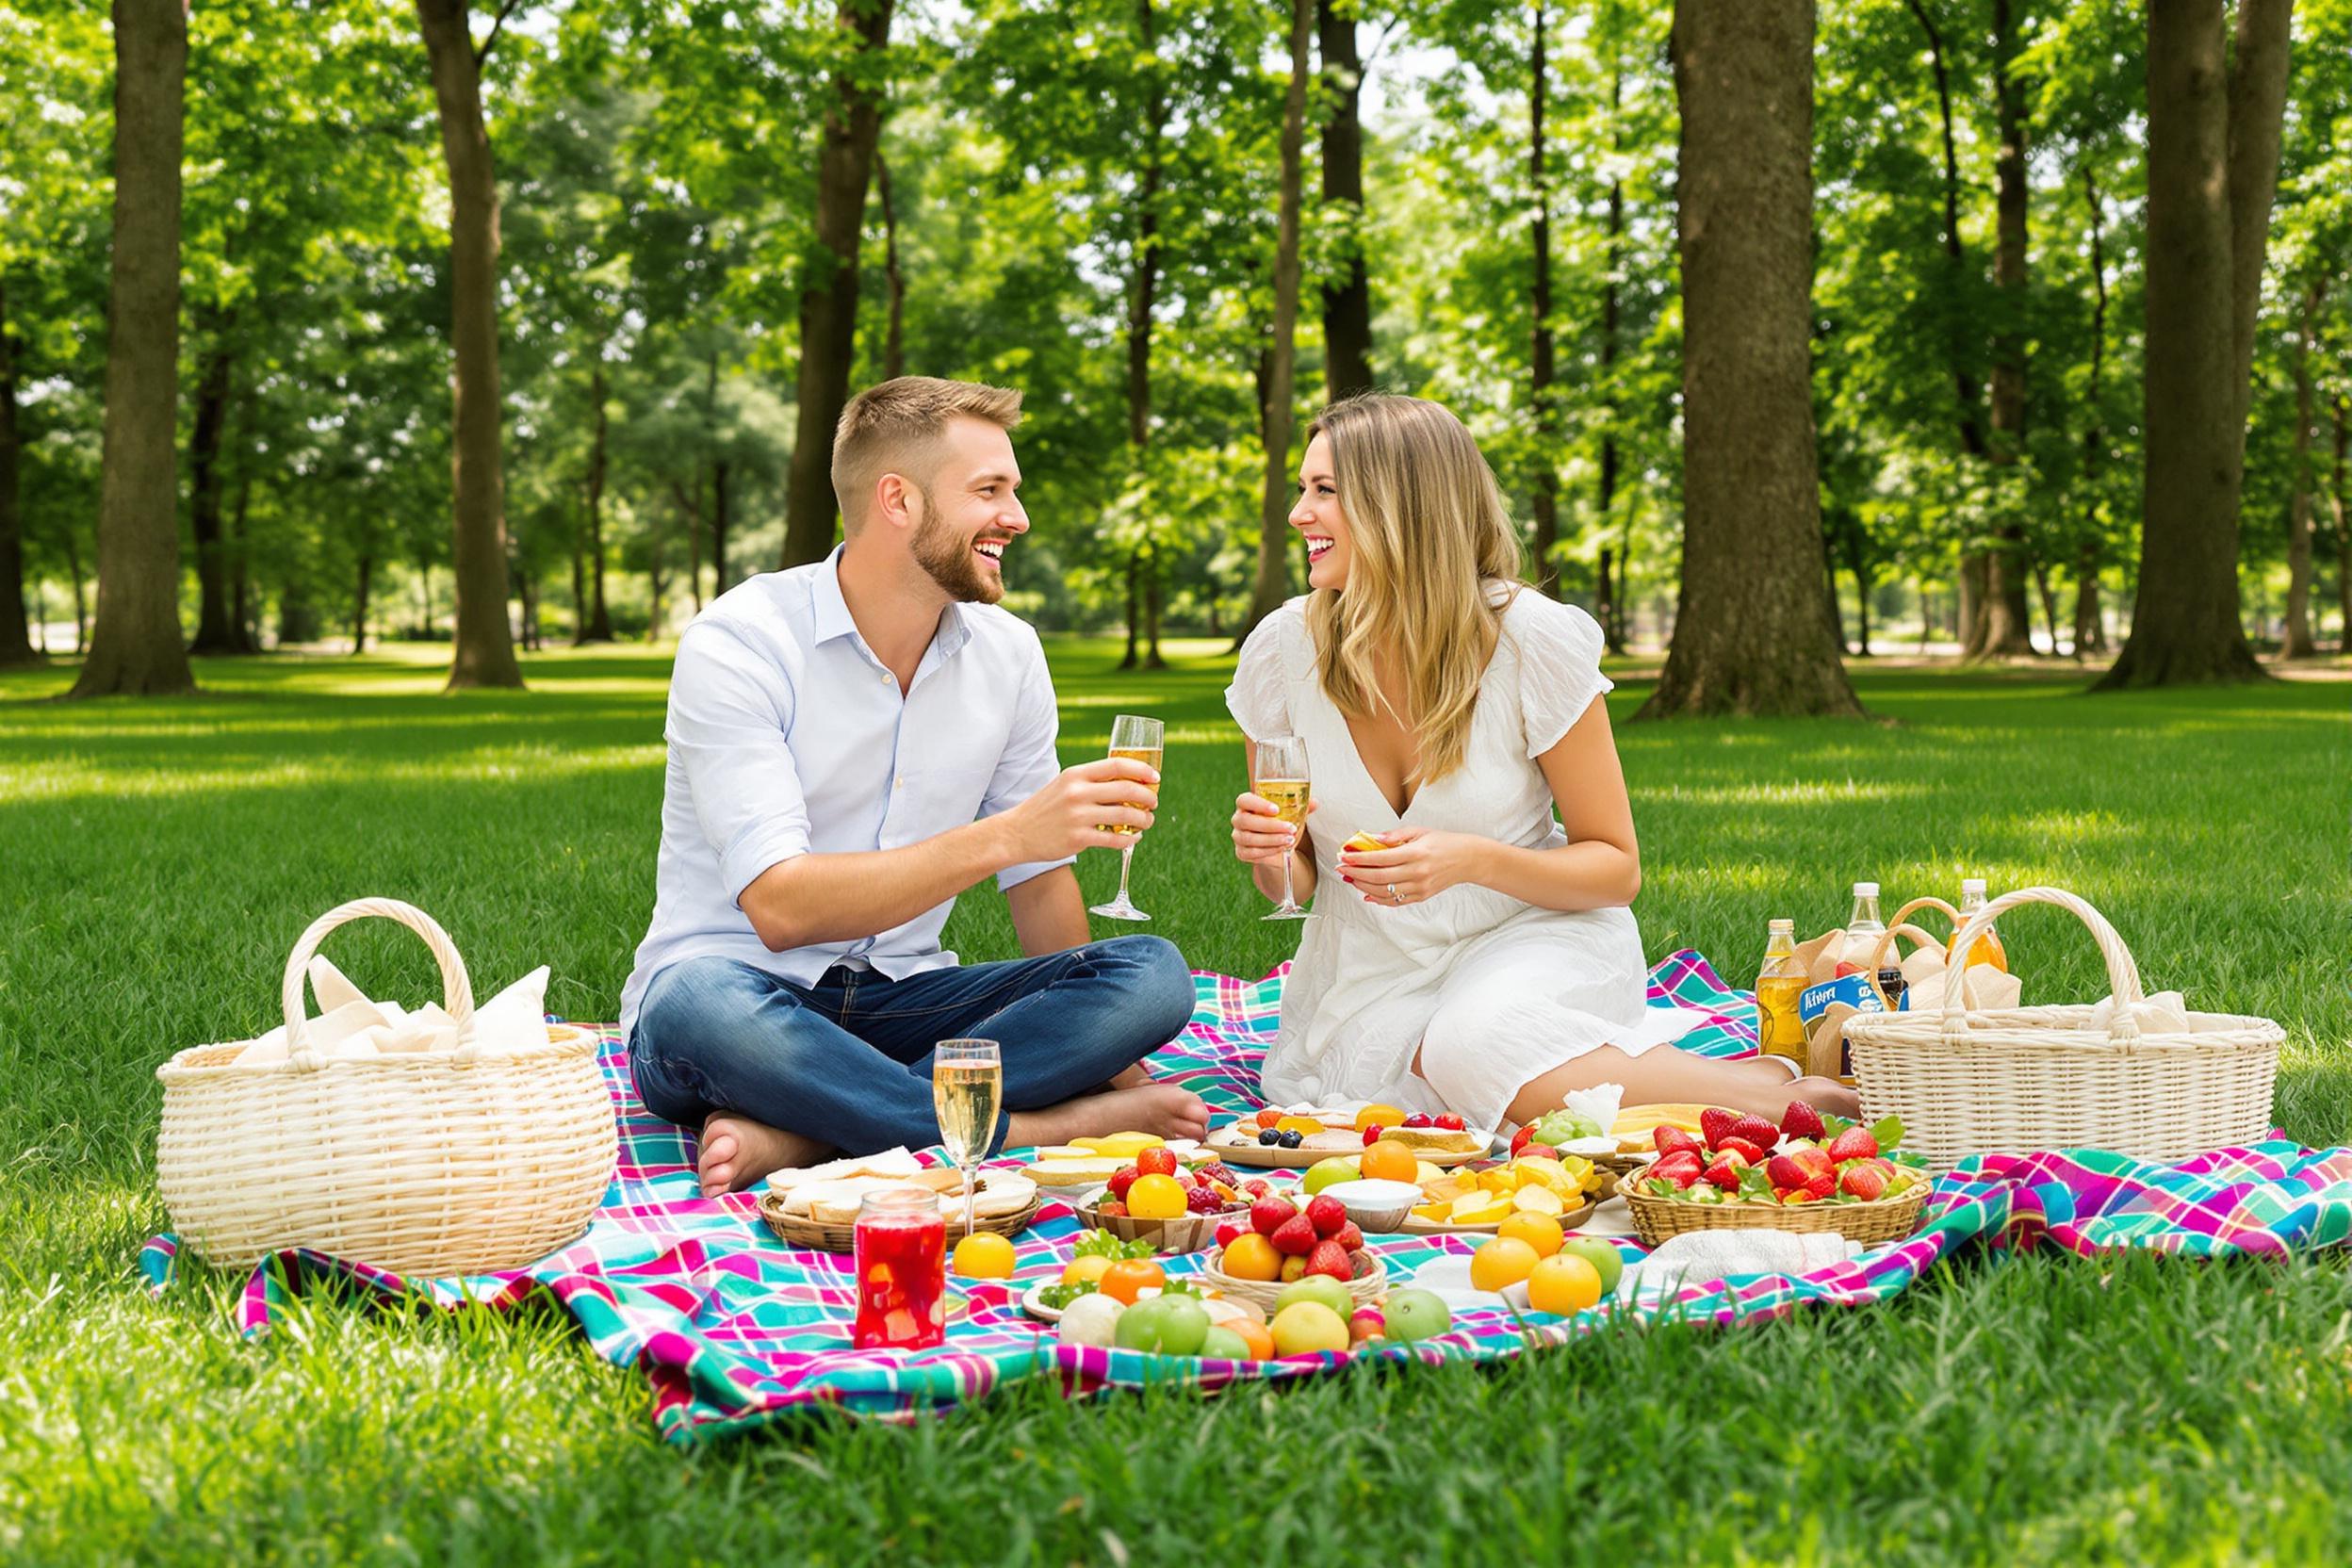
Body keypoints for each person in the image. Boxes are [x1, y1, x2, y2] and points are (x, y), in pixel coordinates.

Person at [622, 376, 1207, 1196]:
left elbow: (1039, 883)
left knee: (1150, 975)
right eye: (990, 491)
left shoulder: (1009, 655)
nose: (1018, 517)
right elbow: (781, 909)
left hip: (903, 1006)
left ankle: (811, 1128)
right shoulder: (741, 642)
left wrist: (1103, 1046)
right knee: (693, 1003)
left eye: (1015, 490)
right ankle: (1033, 1127)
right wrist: (1009, 834)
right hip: (740, 1000)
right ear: (897, 500)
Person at [1225, 394, 1858, 1132]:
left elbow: (1615, 867)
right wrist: (1270, 856)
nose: (1300, 513)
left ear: (1404, 505)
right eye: (1302, 490)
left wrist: (1471, 861)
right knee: (1385, 1096)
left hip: (1534, 935)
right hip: (1372, 966)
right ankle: (1675, 1075)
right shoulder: (1281, 651)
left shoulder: (1531, 639)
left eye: (1324, 491)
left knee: (1469, 1048)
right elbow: (1295, 879)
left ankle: (1778, 1098)